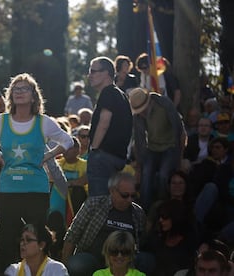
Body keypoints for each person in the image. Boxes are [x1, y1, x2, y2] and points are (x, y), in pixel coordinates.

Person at [0, 72, 73, 269]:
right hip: (9, 189)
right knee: (7, 237)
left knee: (37, 236)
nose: (19, 92)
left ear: (34, 95)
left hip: (36, 189)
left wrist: (48, 156)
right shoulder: (2, 121)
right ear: (10, 95)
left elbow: (68, 140)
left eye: (24, 89)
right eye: (15, 89)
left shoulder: (44, 122)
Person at [62, 172, 146, 275]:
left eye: (133, 195)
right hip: (93, 258)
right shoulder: (94, 205)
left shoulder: (138, 212)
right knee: (76, 264)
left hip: (124, 261)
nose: (129, 200)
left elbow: (140, 240)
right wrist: (63, 268)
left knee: (147, 260)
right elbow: (73, 234)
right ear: (112, 191)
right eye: (124, 195)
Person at [129, 87, 186, 211]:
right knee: (146, 174)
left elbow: (180, 131)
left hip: (171, 146)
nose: (141, 112)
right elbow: (139, 141)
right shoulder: (137, 117)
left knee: (164, 175)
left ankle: (162, 205)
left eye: (142, 109)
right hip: (153, 147)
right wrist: (139, 166)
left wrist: (180, 157)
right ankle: (144, 210)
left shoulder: (164, 104)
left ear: (149, 102)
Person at [86, 56, 133, 197]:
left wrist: (94, 149)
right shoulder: (121, 95)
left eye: (93, 71)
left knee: (98, 202)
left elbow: (104, 122)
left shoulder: (108, 93)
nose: (90, 75)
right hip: (117, 157)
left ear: (106, 73)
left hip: (103, 157)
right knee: (110, 203)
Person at [144, 199, 198, 276]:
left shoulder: (189, 242)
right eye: (160, 216)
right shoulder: (157, 237)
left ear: (176, 218)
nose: (160, 220)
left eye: (165, 217)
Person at [4, 223, 68, 275]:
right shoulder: (13, 271)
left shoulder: (57, 269)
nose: (22, 243)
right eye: (22, 239)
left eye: (28, 240)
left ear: (42, 245)